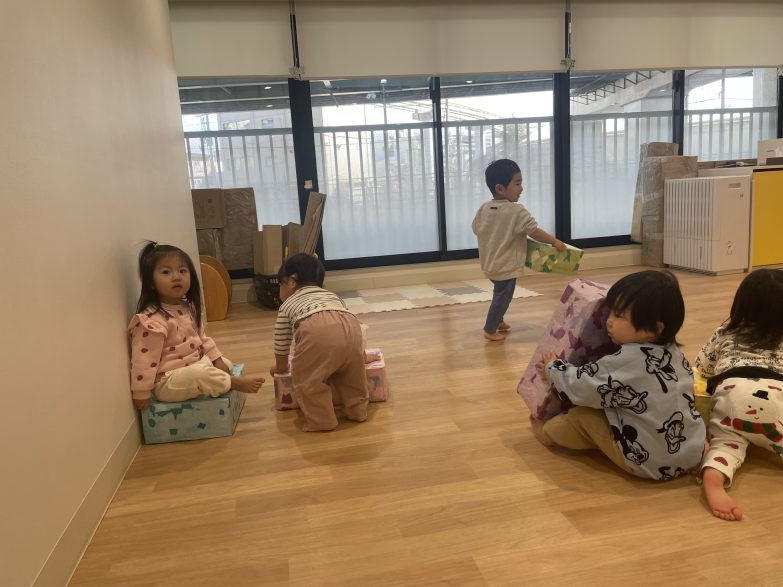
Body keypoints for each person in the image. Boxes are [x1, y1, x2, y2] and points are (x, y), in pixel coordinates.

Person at [530, 270, 706, 481]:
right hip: (693, 452)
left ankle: (547, 434)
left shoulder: (627, 360)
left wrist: (553, 368)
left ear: (655, 328)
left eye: (619, 316)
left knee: (583, 417)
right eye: (611, 312)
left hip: (648, 463)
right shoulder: (676, 355)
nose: (609, 321)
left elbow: (580, 387)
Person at [128, 242, 264, 411]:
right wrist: (141, 393)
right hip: (168, 381)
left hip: (194, 365)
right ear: (151, 283)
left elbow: (202, 338)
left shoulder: (188, 308)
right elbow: (143, 361)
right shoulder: (151, 321)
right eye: (166, 272)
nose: (176, 277)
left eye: (182, 271)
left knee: (225, 364)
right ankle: (232, 383)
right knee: (201, 375)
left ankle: (217, 382)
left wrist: (217, 359)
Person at [694, 268, 783, 521]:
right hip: (775, 396)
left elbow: (702, 366)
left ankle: (714, 480)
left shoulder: (726, 330)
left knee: (724, 446)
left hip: (732, 393)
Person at [270, 253, 368, 431]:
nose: (280, 290)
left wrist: (281, 366)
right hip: (353, 327)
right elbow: (345, 323)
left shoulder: (287, 305)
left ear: (291, 281)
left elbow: (281, 341)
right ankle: (358, 411)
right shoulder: (332, 296)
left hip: (317, 331)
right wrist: (361, 354)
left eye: (280, 285)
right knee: (353, 376)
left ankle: (321, 420)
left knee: (309, 380)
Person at [472, 159, 566, 342]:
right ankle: (490, 329)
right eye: (517, 184)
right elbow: (534, 231)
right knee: (503, 297)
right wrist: (555, 242)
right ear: (500, 188)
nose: (521, 189)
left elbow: (476, 229)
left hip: (489, 264)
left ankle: (498, 320)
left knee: (501, 293)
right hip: (506, 266)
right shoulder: (516, 211)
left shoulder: (483, 208)